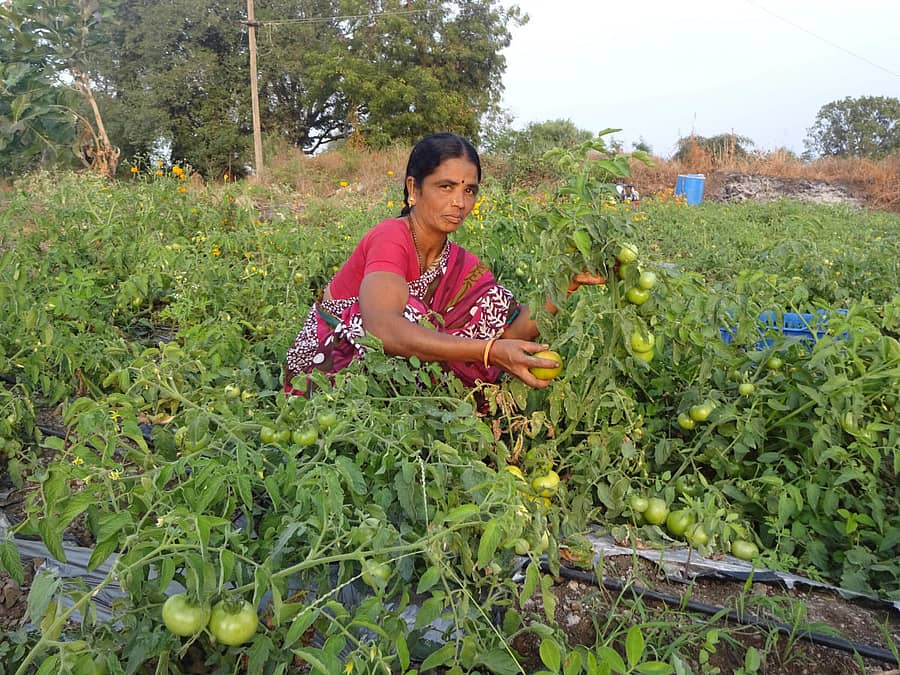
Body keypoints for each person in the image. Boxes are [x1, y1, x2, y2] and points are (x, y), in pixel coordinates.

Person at [284, 133, 602, 395]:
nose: (460, 202)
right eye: (446, 187)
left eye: (469, 190)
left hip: (393, 372)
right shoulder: (391, 237)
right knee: (412, 317)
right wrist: (487, 352)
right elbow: (380, 330)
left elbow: (506, 335)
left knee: (487, 304)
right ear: (413, 188)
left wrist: (567, 281)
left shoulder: (458, 262)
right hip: (329, 366)